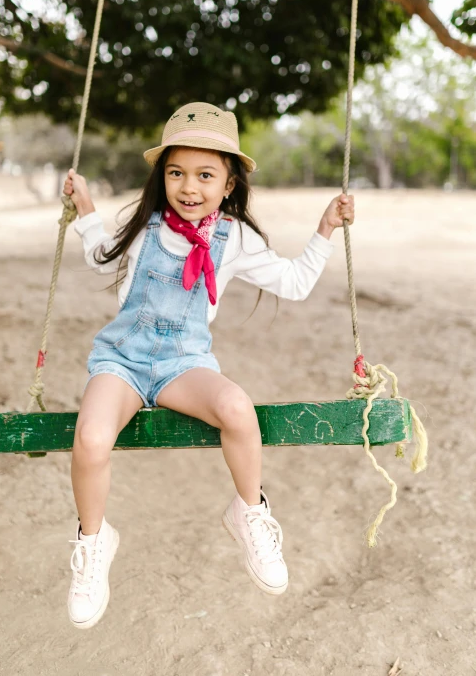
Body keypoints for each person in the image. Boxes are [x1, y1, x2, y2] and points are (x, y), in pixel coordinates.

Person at [64, 101, 355, 629]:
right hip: (122, 362)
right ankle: (93, 541)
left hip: (183, 365)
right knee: (90, 439)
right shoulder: (142, 224)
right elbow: (100, 254)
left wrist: (325, 229)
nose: (189, 187)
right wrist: (84, 208)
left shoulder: (234, 237)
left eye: (205, 175)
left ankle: (248, 512)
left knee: (237, 408)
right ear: (162, 176)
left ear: (228, 185)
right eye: (177, 172)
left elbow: (294, 282)